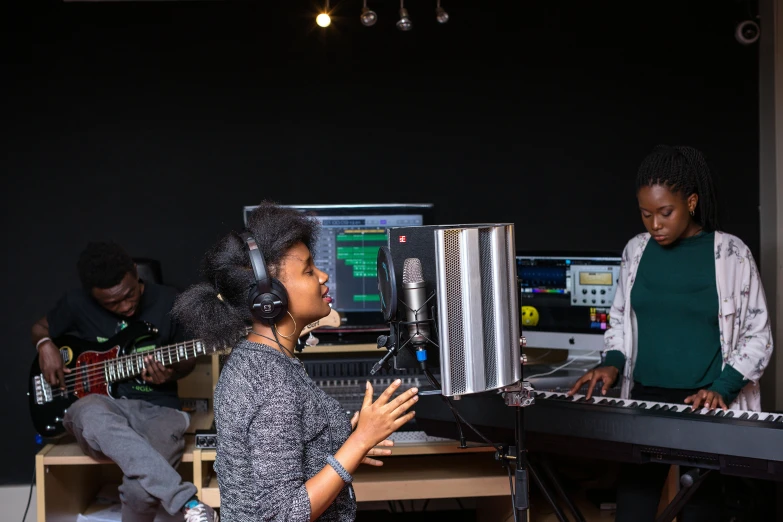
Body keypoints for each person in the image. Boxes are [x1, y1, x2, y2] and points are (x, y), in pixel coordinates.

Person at [172, 201, 418, 522]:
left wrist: (352, 436)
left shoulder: (258, 360)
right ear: (270, 299)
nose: (323, 275)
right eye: (308, 269)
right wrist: (357, 443)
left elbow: (291, 444)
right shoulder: (272, 383)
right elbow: (285, 514)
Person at [568, 145, 774, 522]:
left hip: (704, 405)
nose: (655, 224)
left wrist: (722, 388)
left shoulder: (731, 254)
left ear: (691, 202)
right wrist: (611, 364)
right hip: (645, 402)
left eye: (666, 212)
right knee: (632, 509)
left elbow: (758, 336)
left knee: (699, 512)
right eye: (646, 214)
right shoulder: (636, 250)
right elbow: (620, 321)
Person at [32, 241, 218, 522]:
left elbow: (187, 357)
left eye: (129, 294)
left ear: (134, 272)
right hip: (98, 409)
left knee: (141, 491)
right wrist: (45, 345)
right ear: (93, 296)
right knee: (94, 414)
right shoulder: (75, 303)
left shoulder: (170, 300)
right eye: (112, 303)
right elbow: (39, 327)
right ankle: (188, 503)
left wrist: (170, 373)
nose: (126, 305)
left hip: (159, 410)